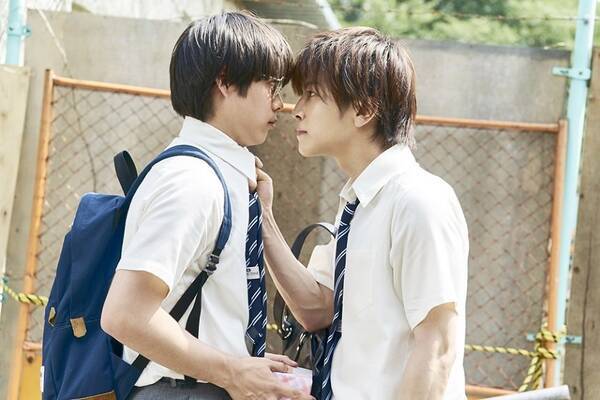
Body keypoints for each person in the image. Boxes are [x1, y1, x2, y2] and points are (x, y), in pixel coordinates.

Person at [100, 11, 312, 400]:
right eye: (271, 86)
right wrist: (232, 371)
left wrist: (237, 364)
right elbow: (125, 315)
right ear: (225, 81)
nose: (280, 104)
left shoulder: (214, 174)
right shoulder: (192, 181)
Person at [256, 27, 469, 399]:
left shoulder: (418, 201)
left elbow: (437, 347)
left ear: (364, 109)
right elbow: (316, 309)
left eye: (312, 94)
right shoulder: (359, 201)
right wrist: (263, 218)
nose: (297, 109)